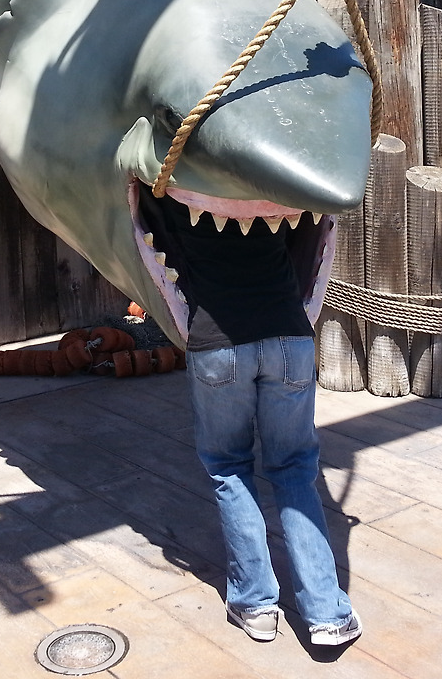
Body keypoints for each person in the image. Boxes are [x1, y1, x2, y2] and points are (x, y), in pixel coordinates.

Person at [148, 192, 361, 647]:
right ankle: (326, 612)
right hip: (288, 337)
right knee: (294, 469)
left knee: (229, 468)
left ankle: (255, 604)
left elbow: (148, 202)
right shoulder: (275, 187)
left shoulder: (179, 189)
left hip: (218, 343)